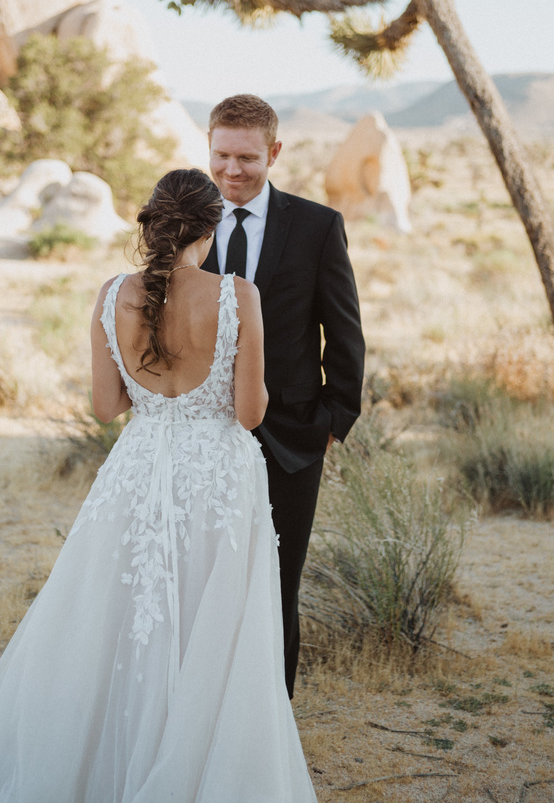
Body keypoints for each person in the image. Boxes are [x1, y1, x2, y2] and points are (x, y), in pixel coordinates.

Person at [0, 168, 317, 803]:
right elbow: (250, 414)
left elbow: (105, 406)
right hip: (218, 476)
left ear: (151, 224)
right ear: (212, 227)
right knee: (209, 619)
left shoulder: (111, 293)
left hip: (139, 468)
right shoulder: (237, 296)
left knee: (119, 616)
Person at [202, 95, 366, 698]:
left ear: (273, 152)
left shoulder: (318, 226)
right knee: (205, 579)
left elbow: (343, 330)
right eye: (221, 155)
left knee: (276, 582)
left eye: (247, 157)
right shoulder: (187, 223)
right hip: (202, 437)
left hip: (293, 437)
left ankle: (269, 725)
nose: (232, 170)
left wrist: (333, 420)